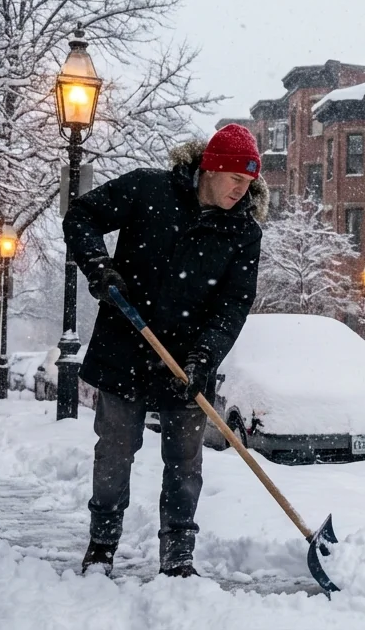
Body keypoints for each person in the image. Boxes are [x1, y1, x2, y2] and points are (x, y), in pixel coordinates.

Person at [64, 124, 265, 578]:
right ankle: (102, 543)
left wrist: (204, 356)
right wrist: (99, 266)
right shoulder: (148, 188)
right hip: (125, 345)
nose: (241, 189)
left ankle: (178, 554)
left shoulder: (243, 232)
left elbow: (234, 304)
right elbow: (81, 216)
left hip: (186, 360)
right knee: (115, 449)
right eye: (235, 177)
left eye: (248, 182)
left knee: (184, 461)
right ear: (210, 167)